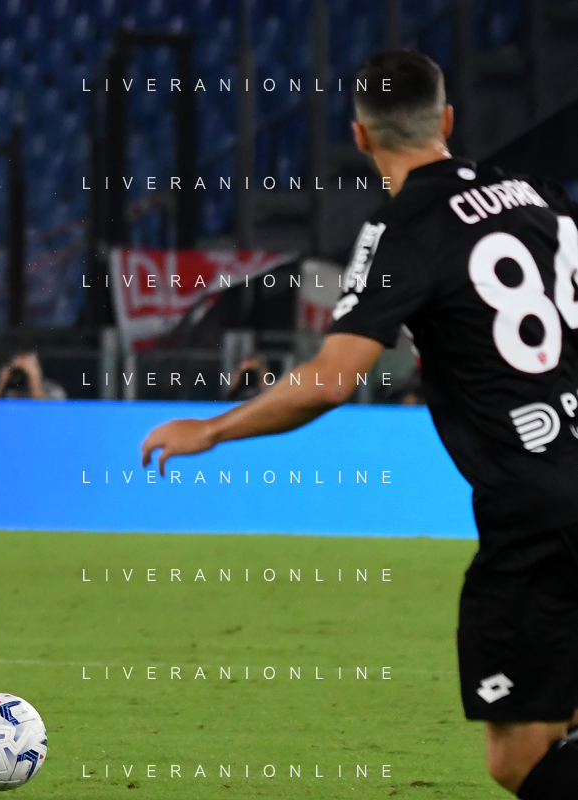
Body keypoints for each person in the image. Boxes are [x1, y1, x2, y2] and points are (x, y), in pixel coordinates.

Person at [141, 50, 578, 799]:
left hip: (539, 512)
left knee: (520, 760)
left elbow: (333, 378)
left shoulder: (402, 228)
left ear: (360, 136)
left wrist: (211, 430)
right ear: (446, 120)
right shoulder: (538, 195)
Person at [0, 351, 66, 399]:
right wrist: (1, 382)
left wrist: (33, 377)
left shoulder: (54, 390)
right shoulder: (11, 391)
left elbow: (44, 412)